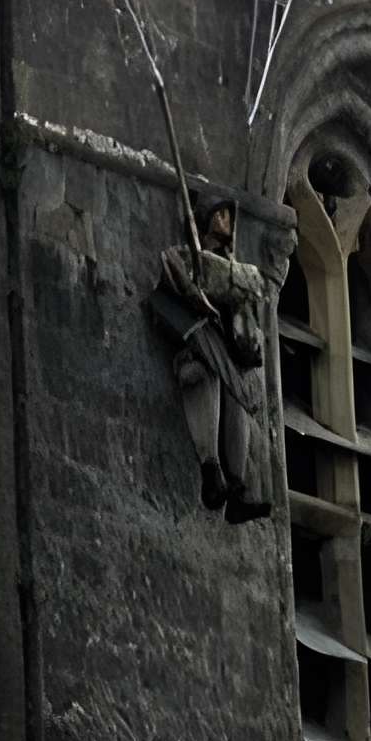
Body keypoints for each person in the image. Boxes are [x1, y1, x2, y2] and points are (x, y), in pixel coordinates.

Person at [152, 182, 272, 523]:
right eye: (219, 214)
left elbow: (249, 297)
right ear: (205, 219)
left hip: (227, 356)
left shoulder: (233, 270)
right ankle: (211, 469)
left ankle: (237, 487)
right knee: (204, 375)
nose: (226, 220)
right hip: (197, 353)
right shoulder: (185, 258)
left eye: (228, 214)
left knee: (239, 395)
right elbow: (180, 277)